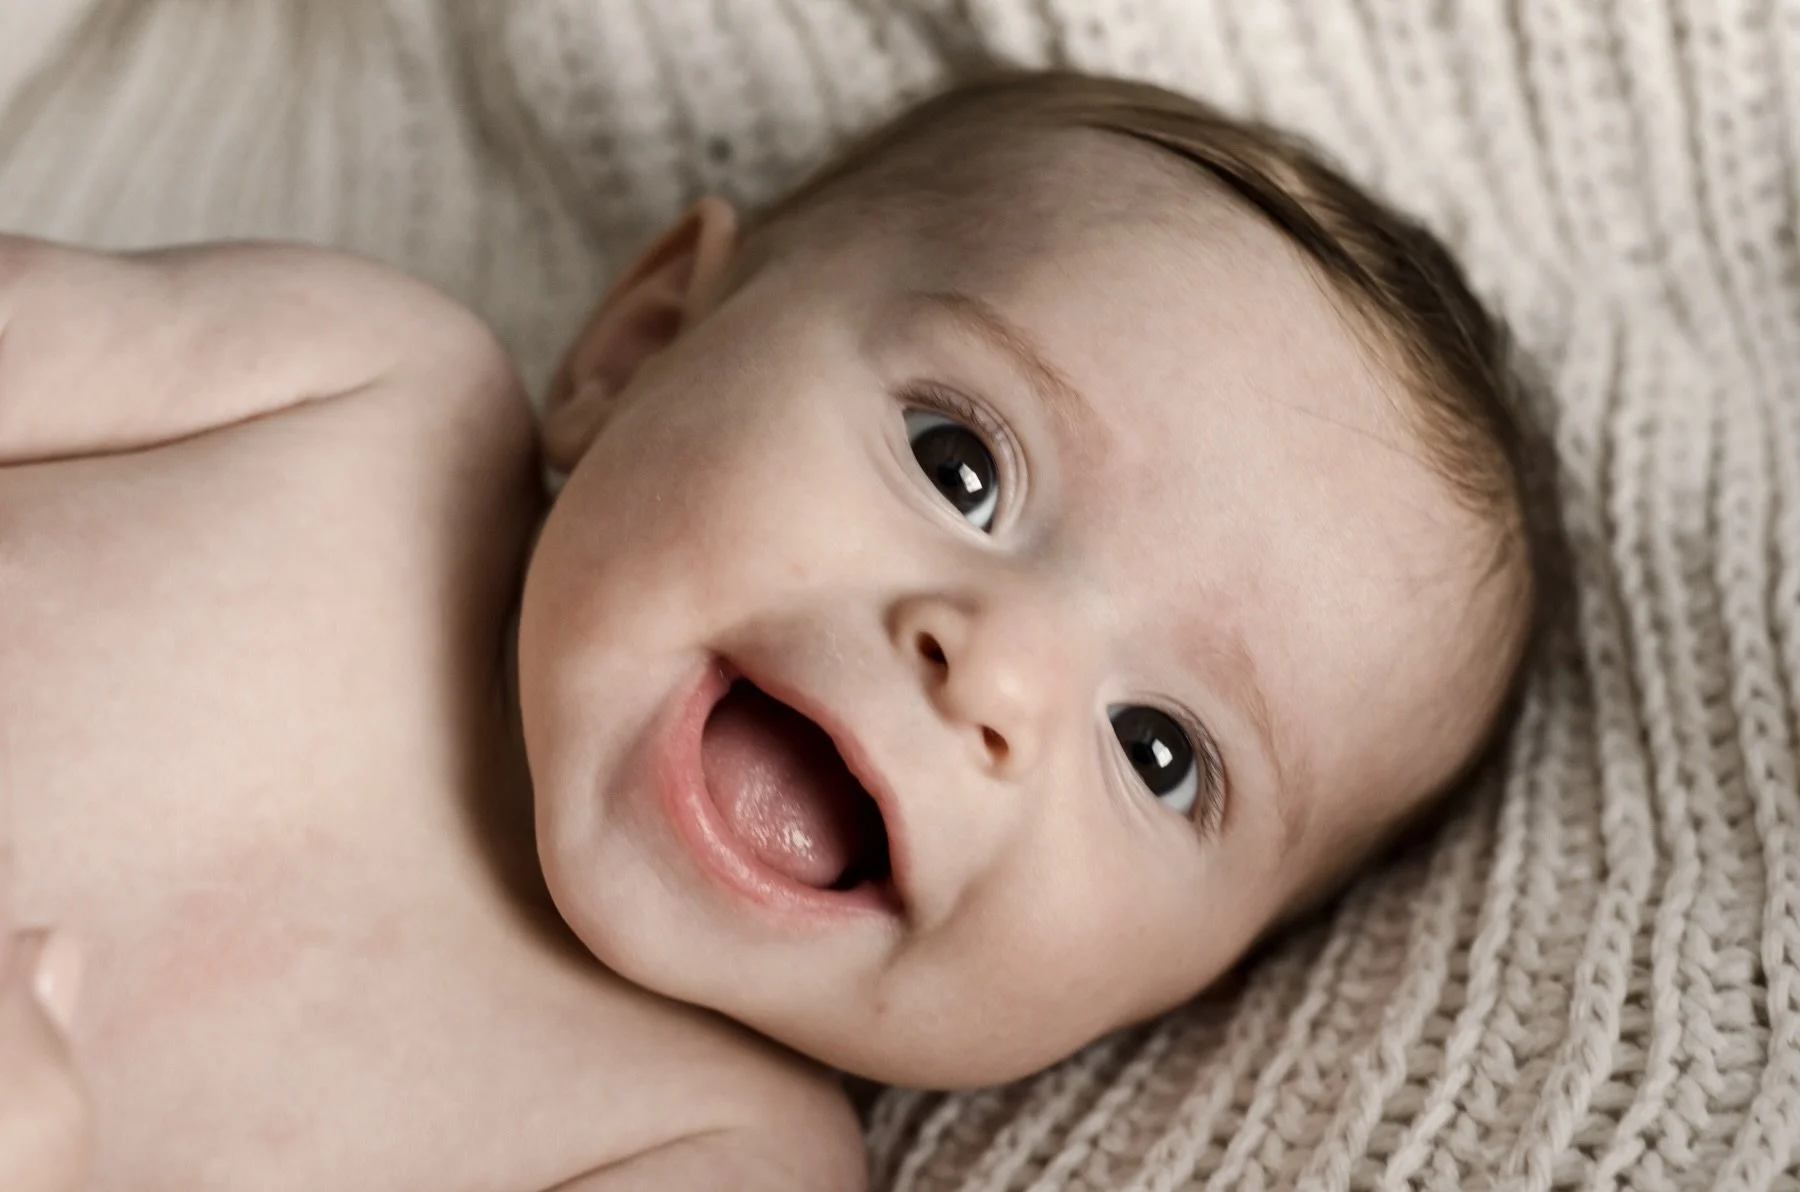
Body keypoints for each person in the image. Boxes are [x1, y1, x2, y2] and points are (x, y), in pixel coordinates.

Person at [0, 71, 1546, 1189]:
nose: (994, 669)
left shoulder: (708, 1157)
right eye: (963, 465)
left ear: (1175, 1003)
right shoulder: (356, 388)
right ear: (646, 340)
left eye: (1159, 750)